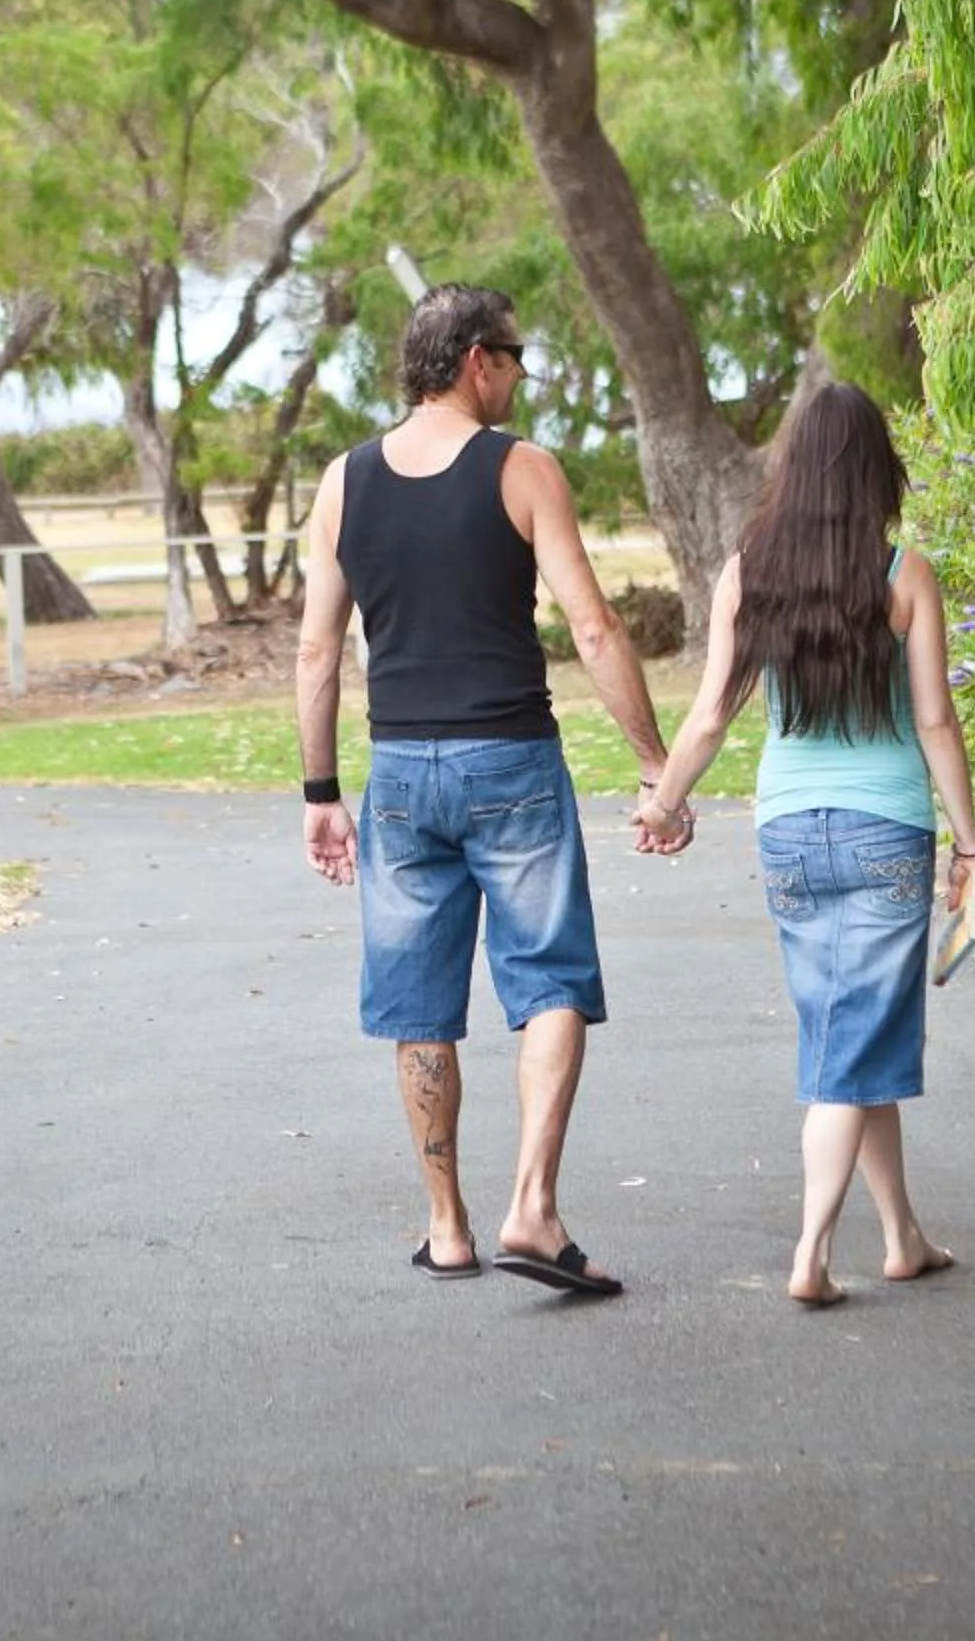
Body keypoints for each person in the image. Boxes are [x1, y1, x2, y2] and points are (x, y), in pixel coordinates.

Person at [294, 282, 680, 1297]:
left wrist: (321, 788)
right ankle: (533, 1208)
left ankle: (449, 1225)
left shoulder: (346, 479)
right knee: (548, 978)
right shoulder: (522, 469)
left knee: (419, 1002)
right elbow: (593, 625)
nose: (518, 377)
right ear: (476, 359)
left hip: (401, 772)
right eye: (514, 357)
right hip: (509, 759)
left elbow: (315, 647)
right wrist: (654, 761)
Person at [636, 383, 975, 1307]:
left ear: (791, 465)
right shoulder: (903, 571)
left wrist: (666, 805)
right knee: (848, 1042)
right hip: (885, 832)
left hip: (789, 834)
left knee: (849, 1028)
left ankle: (903, 1237)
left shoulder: (749, 569)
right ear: (877, 466)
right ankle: (811, 1253)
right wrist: (970, 844)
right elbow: (937, 722)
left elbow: (711, 712)